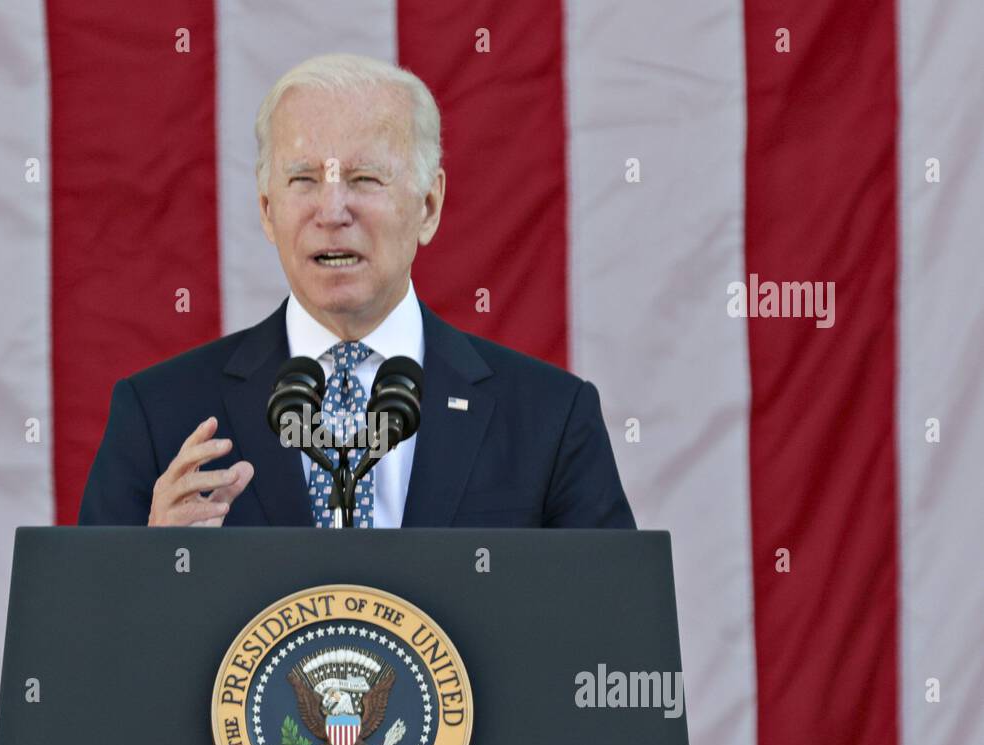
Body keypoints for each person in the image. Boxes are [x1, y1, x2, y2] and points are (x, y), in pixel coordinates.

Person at [79, 53, 634, 531]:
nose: (332, 211)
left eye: (365, 179)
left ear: (428, 206)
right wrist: (149, 565)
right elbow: (84, 641)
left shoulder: (550, 419)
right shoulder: (159, 416)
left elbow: (613, 633)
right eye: (303, 180)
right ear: (268, 211)